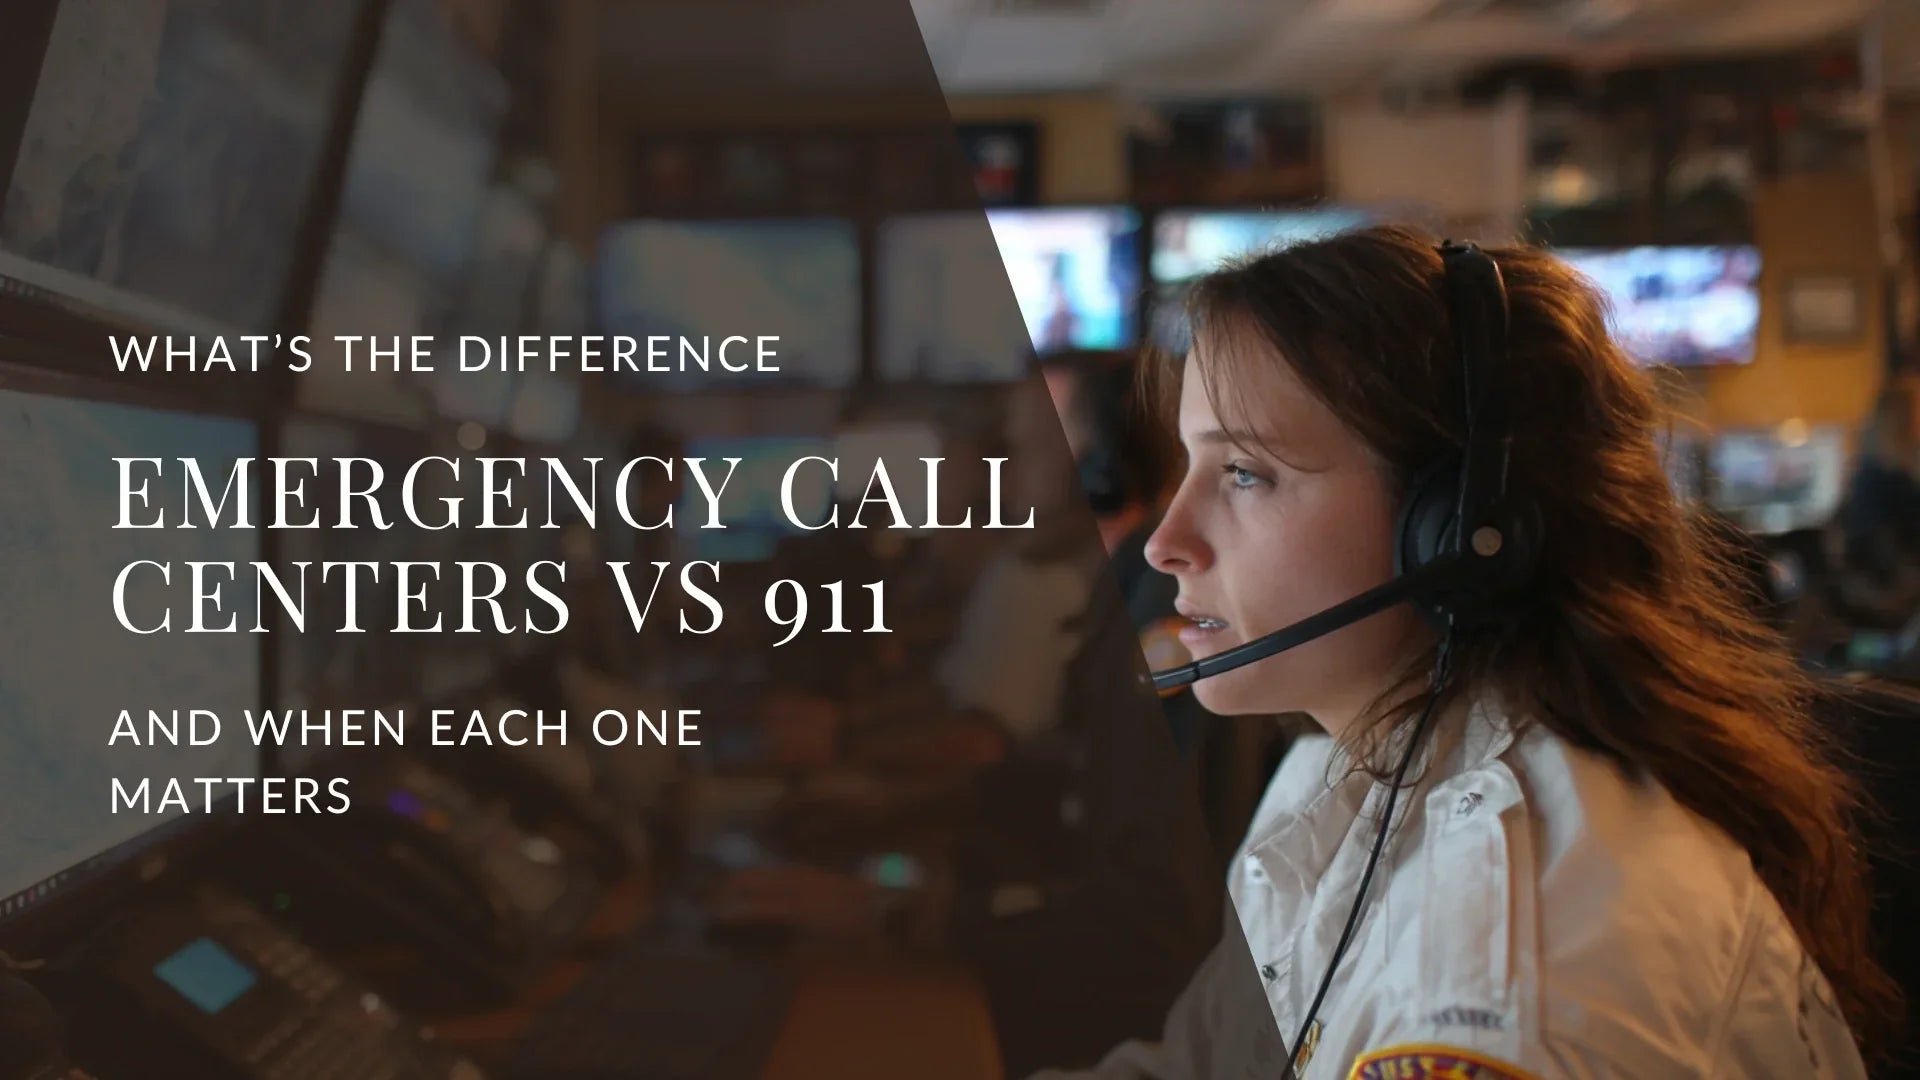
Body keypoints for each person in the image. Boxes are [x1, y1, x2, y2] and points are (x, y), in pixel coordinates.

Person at [1036, 225, 1902, 1078]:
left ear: (1455, 528)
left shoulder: (1508, 985)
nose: (1166, 543)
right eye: (1192, 464)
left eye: (1244, 473)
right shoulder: (1333, 778)